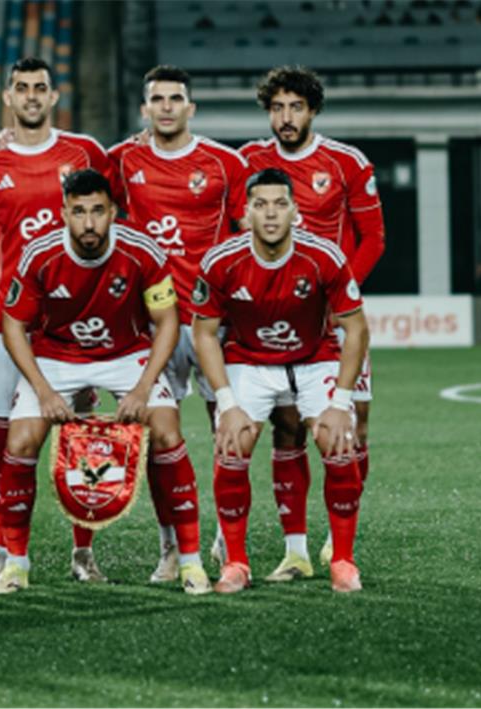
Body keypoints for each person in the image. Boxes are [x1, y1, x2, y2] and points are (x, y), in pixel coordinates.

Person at [0, 168, 209, 595]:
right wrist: (44, 391)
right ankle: (16, 564)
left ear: (112, 212)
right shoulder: (40, 254)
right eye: (78, 212)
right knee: (20, 442)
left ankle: (190, 562)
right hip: (56, 356)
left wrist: (143, 388)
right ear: (63, 213)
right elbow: (14, 326)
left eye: (97, 211)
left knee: (167, 432)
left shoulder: (142, 250)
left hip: (126, 354)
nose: (88, 223)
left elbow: (167, 321)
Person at [0, 56, 122, 585]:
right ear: (8, 97)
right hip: (6, 323)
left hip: (73, 325)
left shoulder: (84, 152)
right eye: (21, 87)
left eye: (40, 87)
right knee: (0, 439)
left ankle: (83, 552)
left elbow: (111, 217)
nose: (31, 95)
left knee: (80, 440)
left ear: (54, 96)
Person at [190, 168, 370, 594]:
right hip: (250, 360)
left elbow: (356, 329)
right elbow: (204, 333)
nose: (270, 213)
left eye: (280, 204)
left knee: (337, 441)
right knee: (232, 443)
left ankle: (343, 561)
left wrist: (340, 403)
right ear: (246, 213)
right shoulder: (221, 261)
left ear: (295, 211)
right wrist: (226, 403)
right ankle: (236, 563)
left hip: (313, 359)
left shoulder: (323, 256)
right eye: (260, 205)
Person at [238, 66, 384, 580]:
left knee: (353, 424)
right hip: (275, 319)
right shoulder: (248, 162)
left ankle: (339, 538)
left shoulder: (346, 162)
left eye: (295, 107)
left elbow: (373, 238)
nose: (286, 117)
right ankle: (295, 549)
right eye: (277, 108)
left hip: (335, 318)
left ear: (313, 110)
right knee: (287, 427)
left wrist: (339, 296)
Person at [108, 65, 249, 584]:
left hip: (211, 321)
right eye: (157, 99)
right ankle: (170, 545)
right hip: (151, 323)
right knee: (157, 434)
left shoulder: (225, 163)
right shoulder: (121, 161)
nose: (166, 107)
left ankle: (226, 539)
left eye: (175, 99)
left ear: (191, 108)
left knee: (226, 430)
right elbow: (73, 182)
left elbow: (246, 235)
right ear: (144, 108)